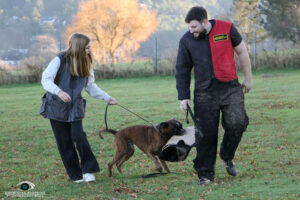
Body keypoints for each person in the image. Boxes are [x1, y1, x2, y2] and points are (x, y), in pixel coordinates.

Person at [175, 6, 252, 185]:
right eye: (189, 27)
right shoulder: (186, 40)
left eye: (194, 27)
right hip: (204, 92)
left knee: (238, 123)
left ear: (204, 22)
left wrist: (248, 79)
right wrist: (183, 96)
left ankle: (227, 155)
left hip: (230, 87)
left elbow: (242, 52)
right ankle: (205, 173)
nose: (191, 30)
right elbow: (182, 69)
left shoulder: (227, 29)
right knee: (206, 134)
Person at [41, 32, 118, 183]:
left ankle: (88, 170)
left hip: (75, 106)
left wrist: (107, 98)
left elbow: (90, 87)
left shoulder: (87, 63)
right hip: (56, 107)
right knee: (64, 141)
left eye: (89, 48)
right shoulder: (60, 59)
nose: (89, 51)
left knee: (79, 136)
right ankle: (75, 175)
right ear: (78, 47)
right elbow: (45, 79)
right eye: (86, 48)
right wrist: (59, 92)